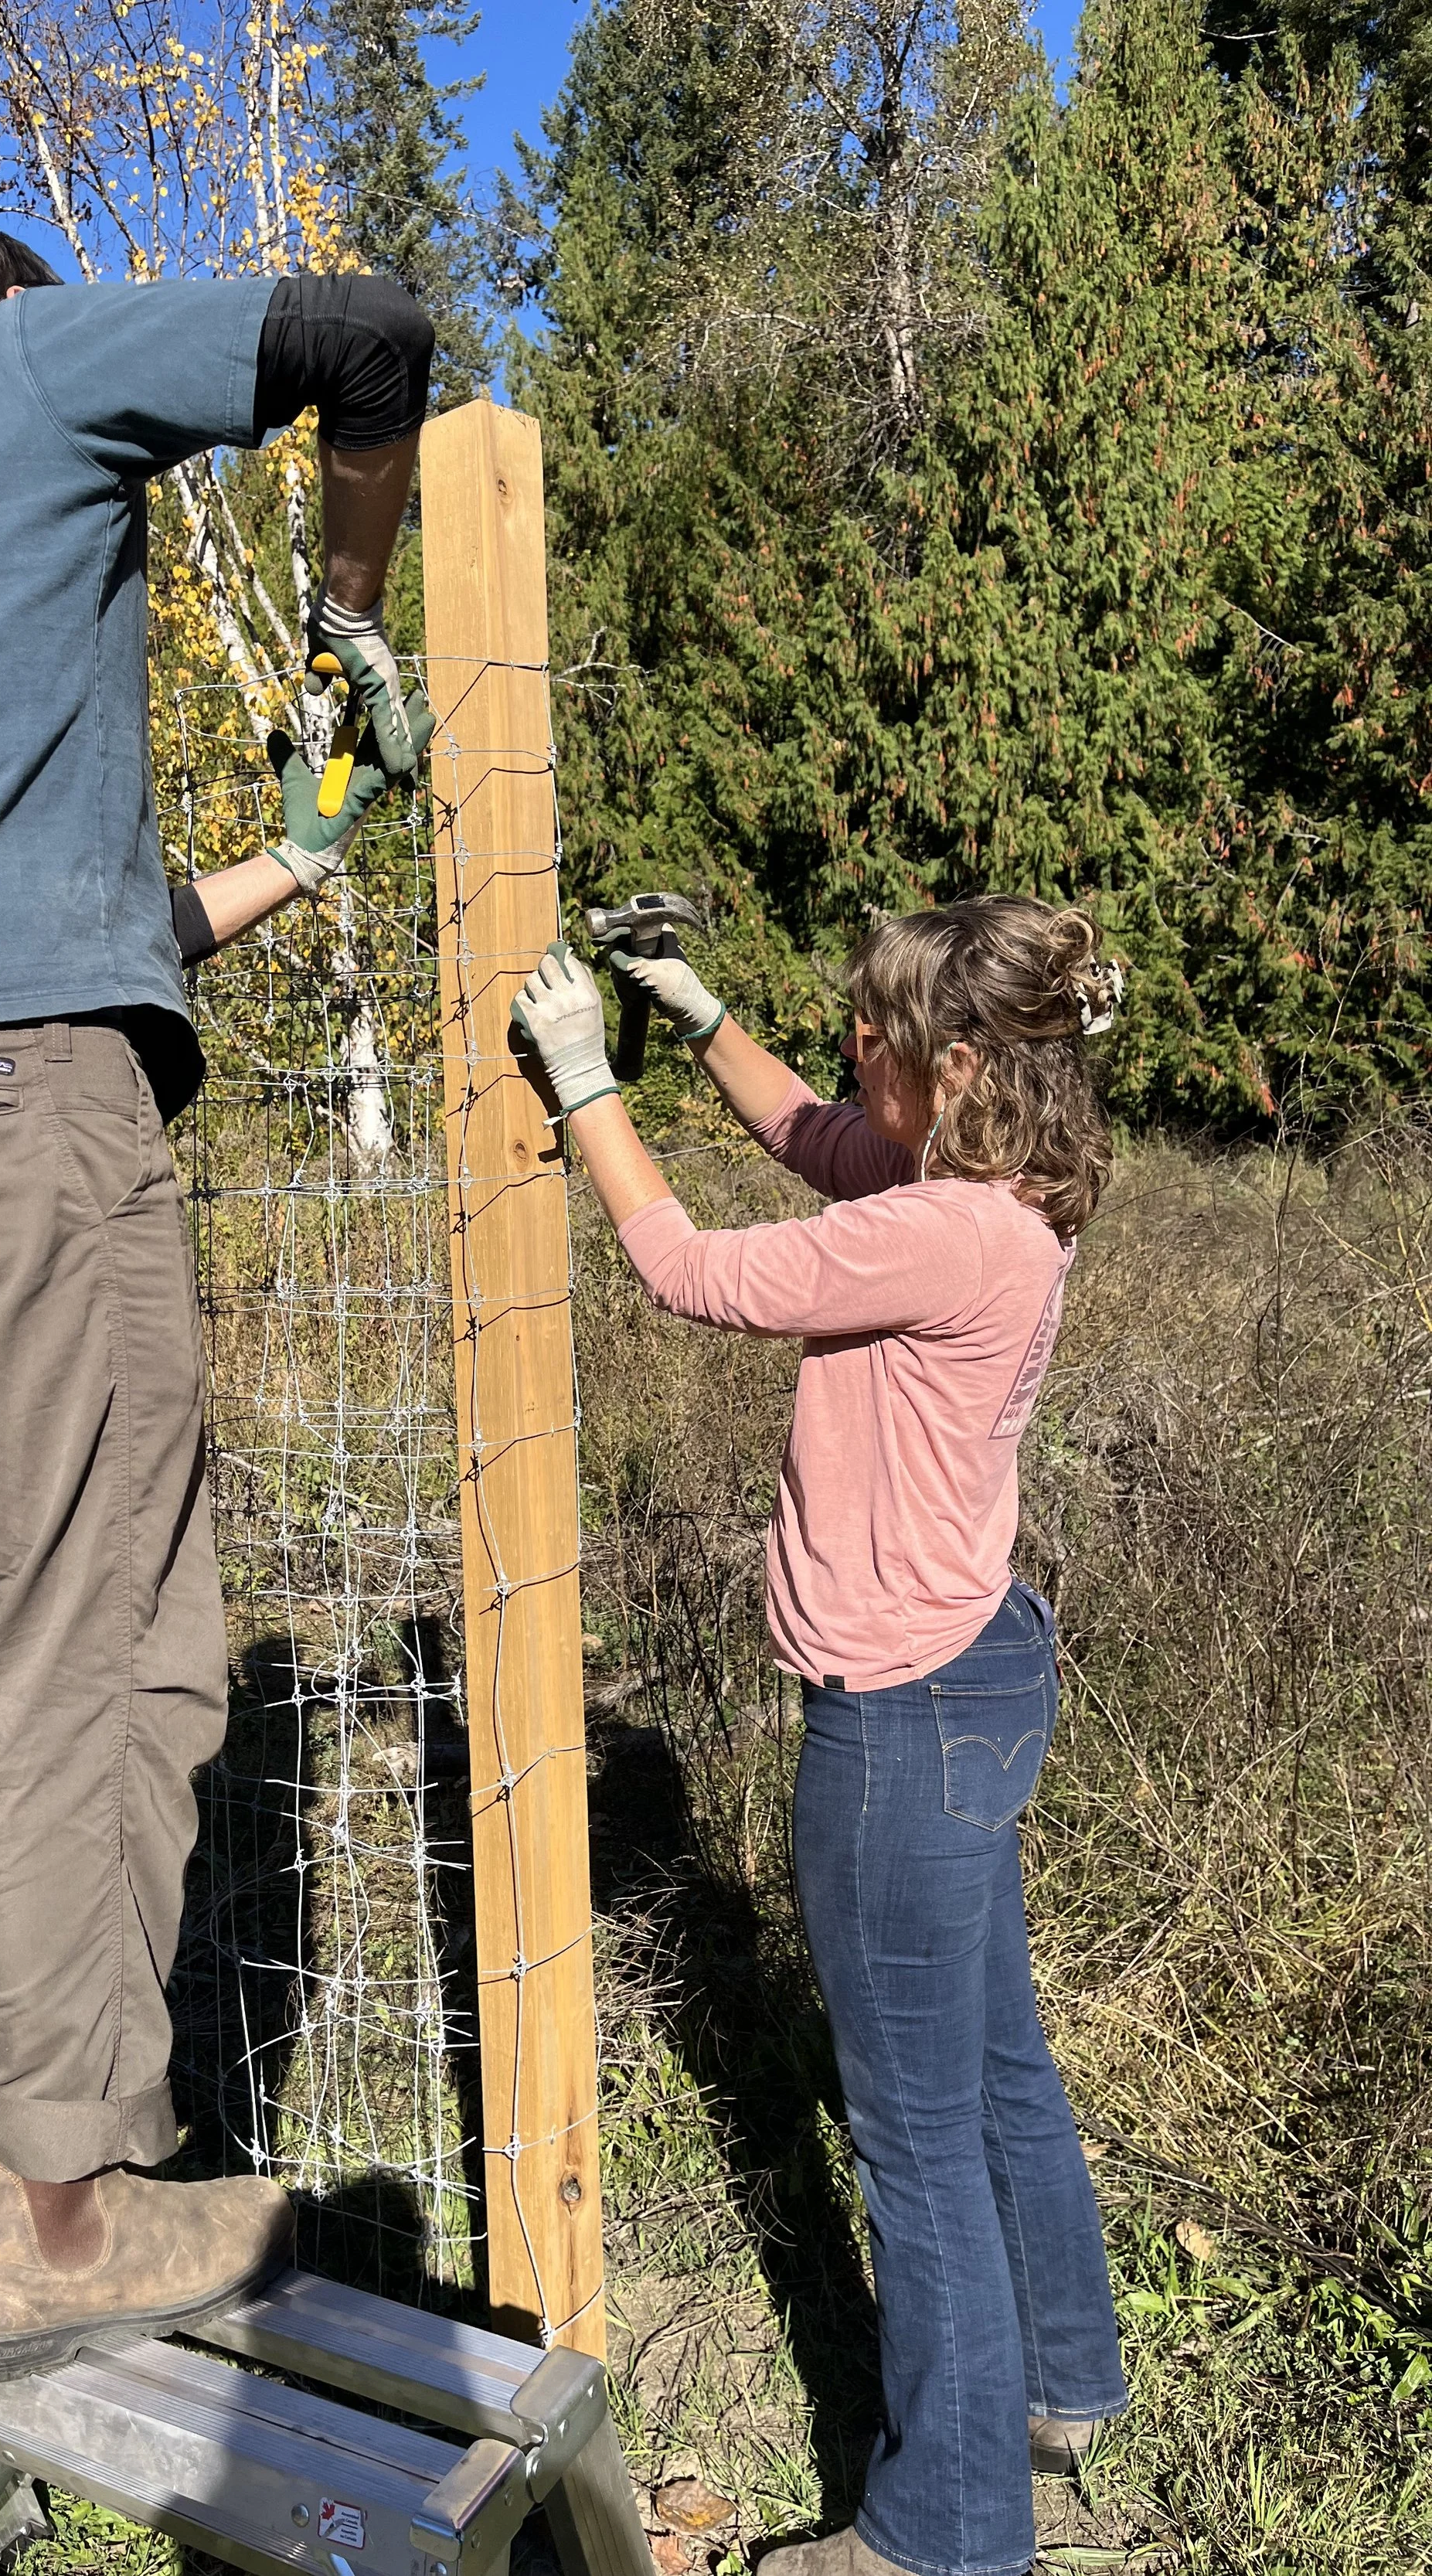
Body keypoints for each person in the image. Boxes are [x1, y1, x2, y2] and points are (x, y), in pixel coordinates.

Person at [0, 224, 436, 2380]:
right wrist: (345, 627)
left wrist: (300, 852)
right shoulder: (32, 362)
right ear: (15, 322)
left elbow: (76, 914)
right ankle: (58, 2213)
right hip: (6, 1116)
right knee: (100, 1642)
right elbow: (370, 335)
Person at [511, 899, 1129, 2576]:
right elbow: (811, 1137)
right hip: (978, 1670)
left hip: (898, 1716)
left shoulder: (938, 1236)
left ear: (951, 1067)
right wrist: (695, 1016)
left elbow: (691, 1271)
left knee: (911, 2142)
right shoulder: (985, 1194)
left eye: (870, 1033)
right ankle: (1065, 2375)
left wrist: (583, 1087)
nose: (845, 1049)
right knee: (993, 2062)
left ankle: (938, 2534)